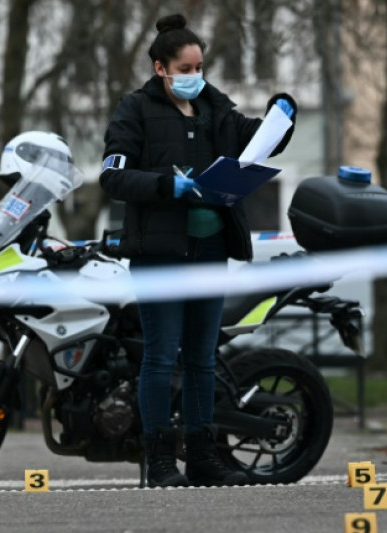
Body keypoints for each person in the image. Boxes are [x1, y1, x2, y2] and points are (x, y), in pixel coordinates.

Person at [99, 13, 296, 488]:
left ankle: (204, 455)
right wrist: (169, 185)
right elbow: (113, 176)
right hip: (160, 255)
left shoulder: (214, 107)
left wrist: (282, 114)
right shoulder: (135, 109)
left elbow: (256, 141)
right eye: (185, 68)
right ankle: (161, 461)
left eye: (199, 67)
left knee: (201, 358)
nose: (195, 76)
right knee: (161, 356)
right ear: (160, 68)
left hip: (210, 250)